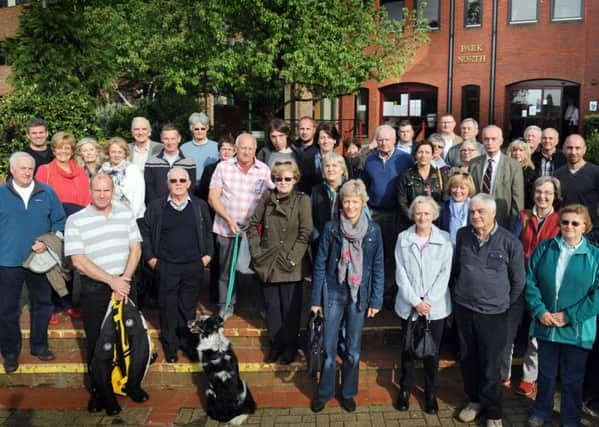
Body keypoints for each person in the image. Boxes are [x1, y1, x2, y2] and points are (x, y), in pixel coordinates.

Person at [65, 173, 144, 415]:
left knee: (130, 339)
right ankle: (101, 391)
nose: (102, 194)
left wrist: (125, 280)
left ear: (113, 190)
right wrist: (112, 282)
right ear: (90, 190)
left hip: (126, 283)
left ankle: (132, 384)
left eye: (106, 190)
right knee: (99, 342)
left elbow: (136, 248)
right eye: (97, 190)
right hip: (95, 289)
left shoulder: (125, 213)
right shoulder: (76, 220)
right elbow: (78, 260)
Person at [310, 179, 384, 413]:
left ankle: (348, 393)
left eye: (355, 201)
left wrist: (376, 300)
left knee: (352, 350)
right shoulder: (331, 228)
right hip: (333, 291)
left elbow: (379, 266)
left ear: (363, 203)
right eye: (346, 201)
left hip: (359, 295)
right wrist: (315, 300)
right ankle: (325, 392)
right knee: (329, 349)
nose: (350, 206)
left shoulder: (373, 230)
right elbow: (320, 265)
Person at [453, 194, 526, 427]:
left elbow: (518, 282)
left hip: (494, 315)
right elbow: (456, 268)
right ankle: (474, 401)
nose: (475, 216)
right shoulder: (462, 235)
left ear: (493, 213)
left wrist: (500, 302)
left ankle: (493, 412)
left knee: (491, 365)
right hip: (464, 309)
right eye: (472, 211)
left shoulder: (509, 242)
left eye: (481, 211)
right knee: (468, 359)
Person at [525, 204, 599, 427]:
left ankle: (570, 419)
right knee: (546, 374)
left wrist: (569, 316)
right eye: (565, 222)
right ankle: (542, 411)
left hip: (576, 329)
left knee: (573, 378)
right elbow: (530, 281)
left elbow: (597, 295)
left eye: (575, 223)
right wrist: (540, 311)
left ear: (585, 226)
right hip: (547, 324)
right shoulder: (545, 248)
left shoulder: (595, 256)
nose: (569, 226)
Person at [0, 152, 66, 373]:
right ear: (12, 170)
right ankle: (10, 353)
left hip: (39, 260)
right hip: (7, 262)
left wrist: (48, 243)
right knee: (7, 309)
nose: (27, 172)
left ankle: (39, 346)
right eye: (22, 168)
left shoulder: (47, 193)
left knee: (43, 305)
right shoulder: (1, 194)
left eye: (30, 168)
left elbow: (60, 221)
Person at [141, 167, 213, 363]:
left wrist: (207, 256)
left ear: (189, 183)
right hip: (166, 266)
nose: (178, 184)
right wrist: (151, 259)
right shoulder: (156, 207)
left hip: (193, 265)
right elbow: (145, 234)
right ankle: (171, 346)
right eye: (174, 181)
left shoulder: (199, 206)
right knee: (167, 308)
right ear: (168, 184)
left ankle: (188, 344)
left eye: (182, 180)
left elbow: (208, 232)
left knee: (188, 309)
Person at [248, 160, 312, 365]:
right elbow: (251, 226)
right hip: (268, 262)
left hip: (290, 262)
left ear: (295, 179)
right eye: (278, 179)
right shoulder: (267, 198)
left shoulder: (302, 200)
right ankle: (275, 345)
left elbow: (305, 232)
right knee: (272, 309)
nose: (283, 182)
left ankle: (290, 347)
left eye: (287, 178)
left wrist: (293, 259)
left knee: (290, 310)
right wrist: (257, 252)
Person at [394, 196, 453, 415]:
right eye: (418, 213)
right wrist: (416, 302)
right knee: (407, 351)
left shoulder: (445, 239)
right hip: (409, 307)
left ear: (434, 216)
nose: (422, 217)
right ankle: (405, 391)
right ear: (412, 215)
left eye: (427, 213)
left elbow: (444, 274)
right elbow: (400, 273)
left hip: (434, 309)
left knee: (431, 354)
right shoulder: (403, 238)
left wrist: (427, 302)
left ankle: (430, 393)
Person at [208, 133, 274, 320]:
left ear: (255, 150)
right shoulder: (223, 167)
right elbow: (213, 197)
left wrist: (257, 220)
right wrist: (229, 219)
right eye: (243, 148)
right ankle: (226, 305)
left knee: (258, 270)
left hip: (255, 231)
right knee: (226, 270)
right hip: (227, 228)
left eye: (250, 148)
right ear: (236, 149)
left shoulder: (263, 170)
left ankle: (260, 306)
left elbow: (271, 196)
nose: (246, 152)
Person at [510, 176, 562, 397]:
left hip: (544, 285)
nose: (543, 196)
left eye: (548, 193)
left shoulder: (561, 220)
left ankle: (529, 378)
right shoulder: (522, 216)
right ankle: (502, 373)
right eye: (539, 191)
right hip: (519, 279)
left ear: (555, 196)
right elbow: (512, 246)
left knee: (536, 333)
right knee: (508, 329)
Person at [35, 131, 91, 322]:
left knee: (71, 264)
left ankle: (67, 304)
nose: (63, 152)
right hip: (53, 223)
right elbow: (39, 199)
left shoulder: (80, 172)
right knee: (53, 263)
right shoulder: (45, 170)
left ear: (72, 150)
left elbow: (86, 200)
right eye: (59, 148)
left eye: (67, 148)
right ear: (54, 150)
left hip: (75, 223)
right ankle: (49, 306)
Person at [362, 124, 413, 307]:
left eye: (387, 139)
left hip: (396, 214)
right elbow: (365, 185)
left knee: (393, 255)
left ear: (394, 140)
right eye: (380, 139)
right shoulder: (370, 160)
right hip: (375, 213)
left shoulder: (405, 159)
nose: (383, 143)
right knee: (375, 254)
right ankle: (375, 293)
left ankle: (390, 293)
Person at [469, 125, 524, 229]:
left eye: (493, 139)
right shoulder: (474, 163)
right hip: (477, 221)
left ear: (501, 141)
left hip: (502, 222)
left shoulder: (513, 166)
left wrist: (514, 226)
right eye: (486, 139)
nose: (490, 142)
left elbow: (518, 200)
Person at [554, 134, 599, 242]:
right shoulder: (557, 174)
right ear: (563, 150)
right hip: (564, 231)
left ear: (584, 150)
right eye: (569, 148)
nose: (573, 152)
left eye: (577, 148)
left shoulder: (596, 173)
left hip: (590, 233)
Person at [397, 140, 445, 231]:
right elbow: (402, 202)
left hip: (435, 225)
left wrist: (432, 218)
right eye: (420, 152)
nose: (423, 155)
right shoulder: (406, 176)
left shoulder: (441, 175)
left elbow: (444, 200)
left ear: (432, 155)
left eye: (427, 152)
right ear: (415, 154)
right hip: (411, 224)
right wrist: (416, 219)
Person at [144, 124, 196, 205]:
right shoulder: (151, 161)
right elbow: (149, 187)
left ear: (179, 139)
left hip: (182, 207)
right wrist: (155, 206)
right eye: (166, 139)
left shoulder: (189, 162)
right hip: (157, 208)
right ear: (161, 139)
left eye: (173, 139)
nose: (170, 142)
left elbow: (190, 188)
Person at [310, 152, 348, 255]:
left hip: (346, 243)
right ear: (323, 171)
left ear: (342, 170)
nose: (330, 169)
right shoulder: (316, 191)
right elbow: (309, 218)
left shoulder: (350, 189)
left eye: (334, 165)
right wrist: (317, 238)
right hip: (322, 244)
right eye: (327, 166)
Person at [100, 137, 146, 219]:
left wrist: (131, 217)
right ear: (108, 153)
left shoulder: (133, 169)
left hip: (131, 216)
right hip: (108, 216)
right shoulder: (102, 171)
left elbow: (139, 197)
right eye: (113, 152)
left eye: (120, 152)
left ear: (125, 153)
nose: (116, 155)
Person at [301, 122, 349, 194]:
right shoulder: (308, 162)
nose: (326, 141)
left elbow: (349, 182)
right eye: (322, 138)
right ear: (317, 141)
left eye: (329, 137)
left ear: (335, 140)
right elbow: (304, 186)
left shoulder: (344, 160)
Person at [438, 172, 476, 247]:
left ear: (469, 190)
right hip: (447, 251)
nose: (458, 191)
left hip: (468, 251)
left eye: (462, 188)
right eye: (454, 187)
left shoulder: (474, 208)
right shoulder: (441, 208)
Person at [180, 112, 219, 181]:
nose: (200, 131)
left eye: (203, 128)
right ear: (191, 129)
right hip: (189, 185)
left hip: (210, 184)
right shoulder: (184, 148)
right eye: (196, 129)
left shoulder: (216, 147)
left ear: (207, 128)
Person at [506, 139, 535, 209]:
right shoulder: (505, 169)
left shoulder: (529, 171)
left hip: (523, 208)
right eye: (514, 150)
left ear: (526, 153)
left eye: (521, 150)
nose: (517, 153)